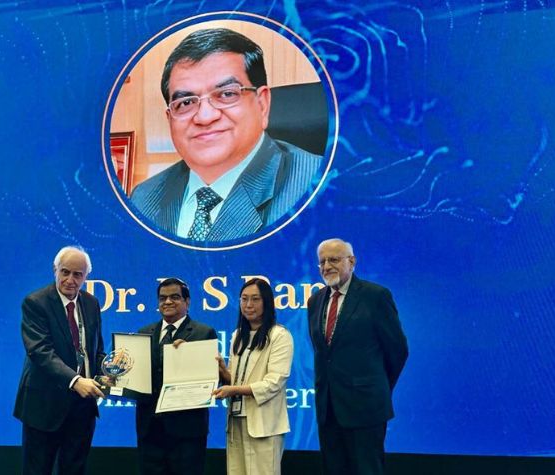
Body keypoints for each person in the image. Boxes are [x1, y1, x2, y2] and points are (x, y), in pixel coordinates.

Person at [129, 28, 323, 242]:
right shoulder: (143, 198)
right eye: (186, 102)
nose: (204, 117)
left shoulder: (319, 185)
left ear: (262, 104)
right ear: (170, 119)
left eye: (226, 94)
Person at [307, 238, 409, 474]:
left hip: (366, 408)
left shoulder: (376, 296)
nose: (327, 266)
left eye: (334, 259)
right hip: (328, 409)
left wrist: (375, 386)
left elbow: (397, 350)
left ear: (351, 262)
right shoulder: (315, 301)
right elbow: (323, 354)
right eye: (322, 262)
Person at [13, 246, 106, 475]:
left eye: (78, 274)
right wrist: (75, 380)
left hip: (82, 407)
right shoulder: (36, 302)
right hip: (44, 404)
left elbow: (95, 349)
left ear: (86, 276)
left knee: (74, 469)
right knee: (37, 470)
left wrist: (106, 371)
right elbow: (40, 351)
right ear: (55, 270)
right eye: (65, 272)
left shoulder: (91, 303)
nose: (70, 280)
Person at [136, 278, 218, 475]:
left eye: (174, 297)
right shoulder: (144, 333)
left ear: (187, 302)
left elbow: (211, 380)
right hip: (150, 430)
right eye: (162, 298)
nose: (167, 302)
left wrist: (190, 356)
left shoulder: (203, 333)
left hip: (187, 432)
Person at [214, 278, 294, 475]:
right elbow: (235, 379)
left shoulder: (279, 335)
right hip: (236, 421)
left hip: (264, 423)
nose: (248, 305)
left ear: (267, 302)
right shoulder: (238, 335)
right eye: (244, 299)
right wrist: (222, 371)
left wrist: (234, 389)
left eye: (255, 299)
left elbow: (274, 382)